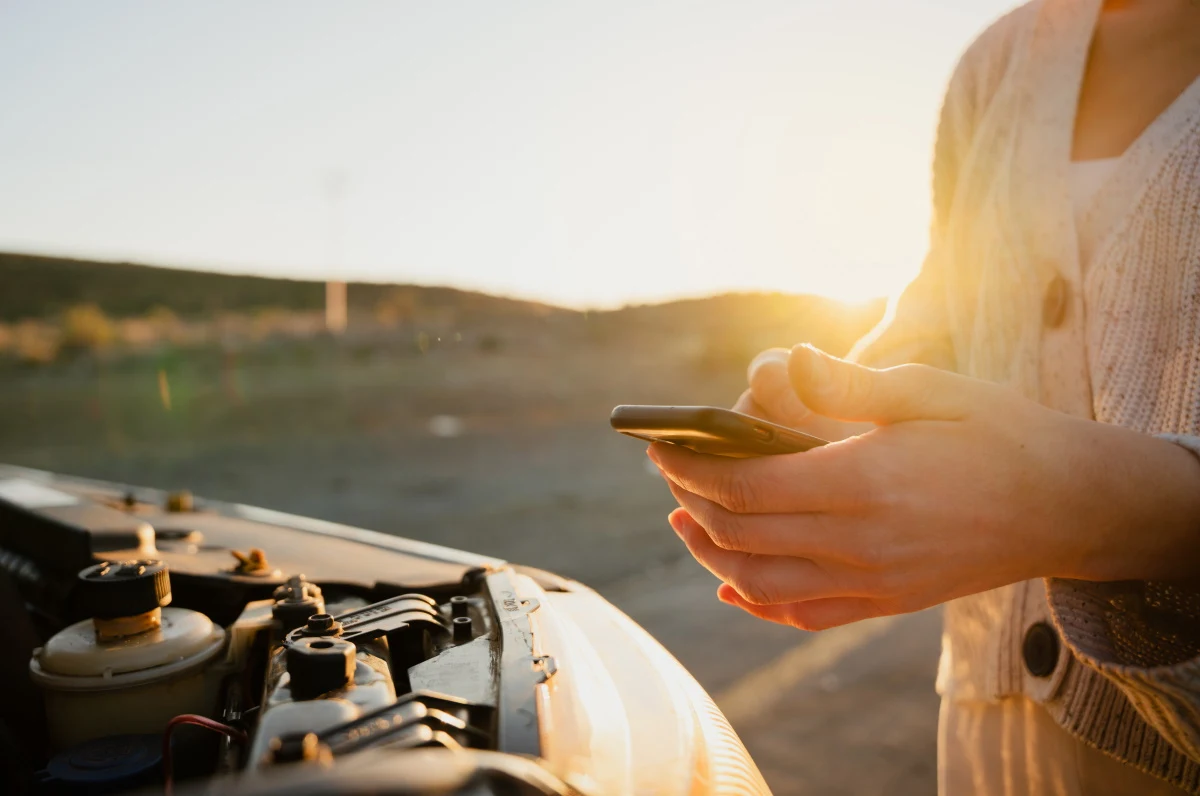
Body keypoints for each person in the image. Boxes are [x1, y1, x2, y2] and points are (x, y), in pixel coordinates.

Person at [649, 0, 1200, 793]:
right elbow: (947, 306)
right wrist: (842, 406)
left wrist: (1084, 509)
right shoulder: (999, 61)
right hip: (988, 731)